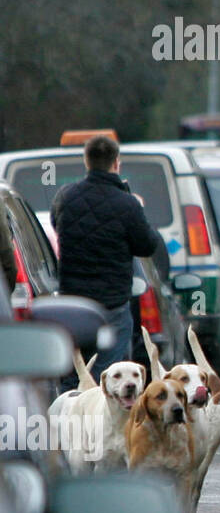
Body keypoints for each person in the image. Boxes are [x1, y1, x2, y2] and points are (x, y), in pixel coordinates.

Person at [50, 135, 165, 368]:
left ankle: (72, 401)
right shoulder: (127, 204)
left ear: (86, 161)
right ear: (116, 163)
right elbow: (147, 245)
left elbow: (56, 225)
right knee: (110, 373)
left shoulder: (65, 197)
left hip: (73, 304)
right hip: (112, 305)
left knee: (74, 373)